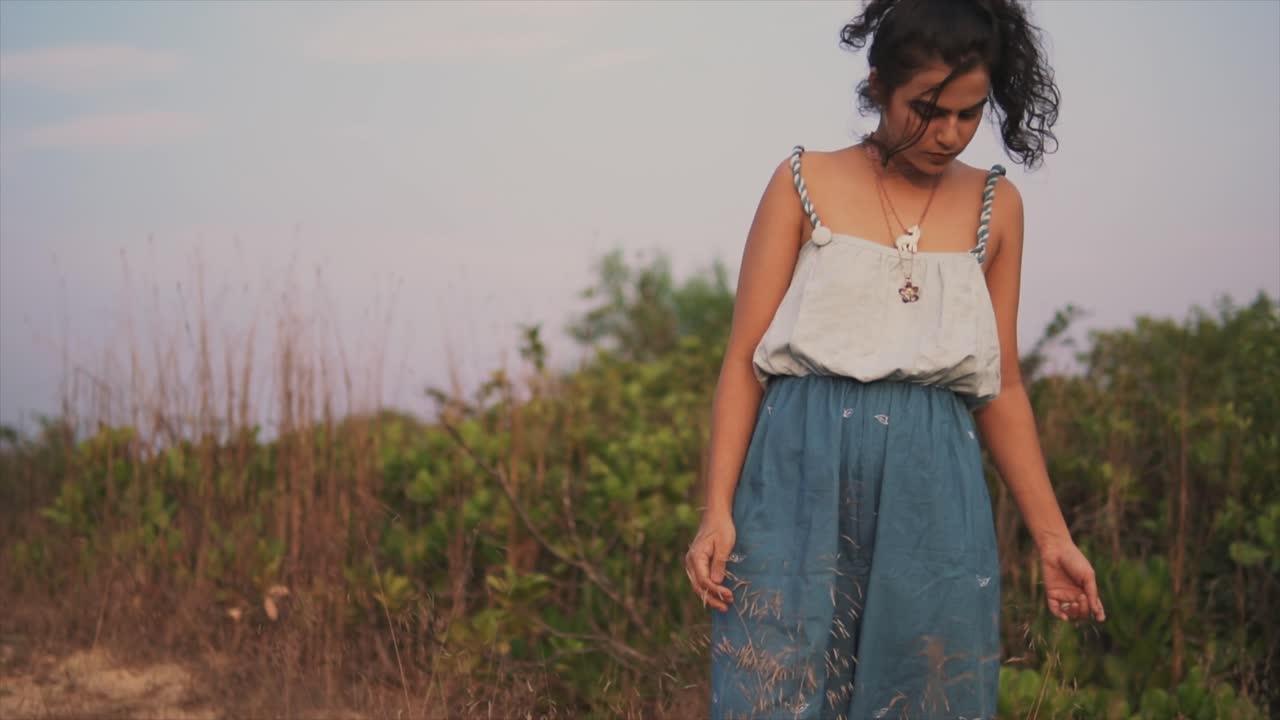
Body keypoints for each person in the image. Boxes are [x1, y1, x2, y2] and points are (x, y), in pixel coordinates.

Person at [683, 1, 1105, 717]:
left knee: (924, 691)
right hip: (796, 476)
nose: (947, 133)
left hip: (932, 488)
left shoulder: (997, 207)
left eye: (969, 114)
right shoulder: (801, 182)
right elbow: (743, 362)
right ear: (878, 86)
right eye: (927, 108)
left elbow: (1000, 384)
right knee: (775, 688)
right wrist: (716, 509)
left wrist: (1053, 537)